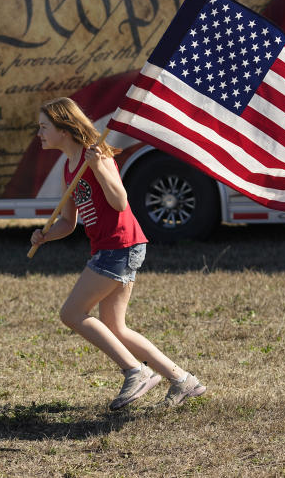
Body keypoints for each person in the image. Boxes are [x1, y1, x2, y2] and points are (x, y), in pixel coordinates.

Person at [30, 97, 206, 410]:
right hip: (109, 247)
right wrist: (46, 236)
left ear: (64, 129)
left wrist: (98, 166)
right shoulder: (69, 168)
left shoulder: (95, 156)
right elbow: (70, 223)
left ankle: (135, 372)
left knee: (71, 313)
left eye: (44, 127)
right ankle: (183, 380)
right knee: (116, 328)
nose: (39, 133)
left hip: (120, 245)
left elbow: (120, 202)